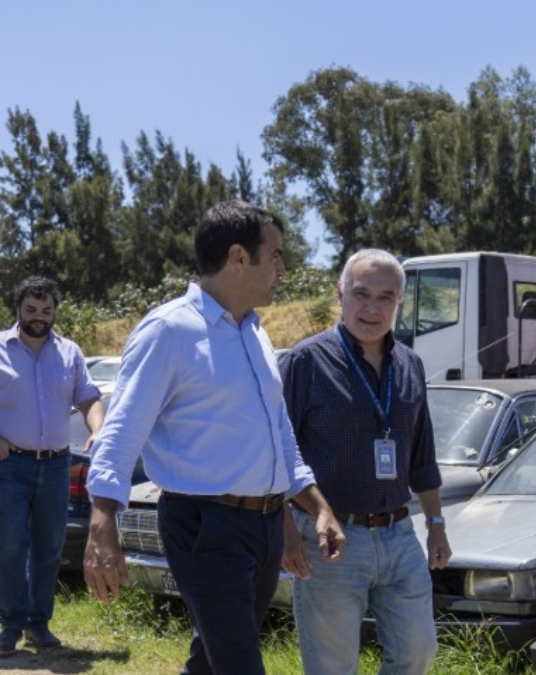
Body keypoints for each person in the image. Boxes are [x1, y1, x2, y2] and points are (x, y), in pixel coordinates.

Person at [83, 201, 347, 675]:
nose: (283, 269)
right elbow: (122, 428)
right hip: (205, 525)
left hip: (263, 528)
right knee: (239, 663)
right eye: (276, 256)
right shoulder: (170, 330)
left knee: (213, 659)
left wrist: (311, 507)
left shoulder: (255, 333)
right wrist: (102, 521)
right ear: (238, 257)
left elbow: (277, 431)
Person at [280, 248, 451, 675]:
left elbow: (421, 455)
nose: (372, 308)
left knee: (418, 652)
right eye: (361, 294)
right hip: (331, 541)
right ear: (340, 294)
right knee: (332, 667)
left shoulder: (410, 365)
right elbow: (278, 453)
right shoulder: (306, 361)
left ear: (399, 303)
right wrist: (283, 531)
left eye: (385, 297)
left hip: (399, 535)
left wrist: (436, 525)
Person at [0, 276, 105, 656]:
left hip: (58, 464)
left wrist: (98, 429)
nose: (39, 317)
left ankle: (39, 625)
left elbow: (89, 397)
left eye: (46, 310)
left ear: (55, 311)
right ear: (18, 309)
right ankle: (10, 626)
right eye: (31, 310)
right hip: (10, 465)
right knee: (10, 546)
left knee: (49, 546)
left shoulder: (70, 352)